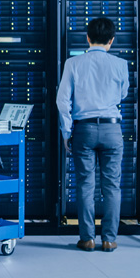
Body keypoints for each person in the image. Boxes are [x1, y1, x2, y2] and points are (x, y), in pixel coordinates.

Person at [56, 16, 129, 252]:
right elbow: (123, 95)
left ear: (87, 38)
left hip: (84, 130)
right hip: (111, 129)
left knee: (85, 185)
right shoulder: (120, 64)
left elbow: (62, 100)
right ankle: (109, 238)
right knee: (112, 186)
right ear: (111, 40)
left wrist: (67, 131)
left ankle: (87, 238)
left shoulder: (73, 64)